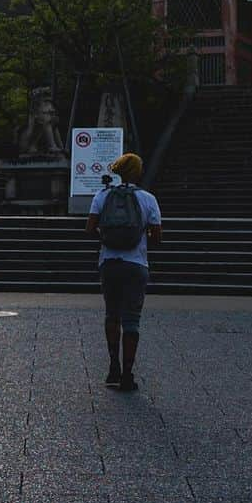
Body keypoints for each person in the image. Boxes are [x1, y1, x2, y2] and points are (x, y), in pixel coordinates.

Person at [85, 152, 162, 392]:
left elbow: (89, 229)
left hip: (109, 262)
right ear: (138, 172)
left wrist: (108, 238)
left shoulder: (102, 195)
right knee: (132, 320)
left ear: (118, 171)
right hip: (136, 265)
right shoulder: (148, 199)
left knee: (112, 315)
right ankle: (128, 374)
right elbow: (157, 238)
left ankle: (112, 367)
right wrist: (140, 236)